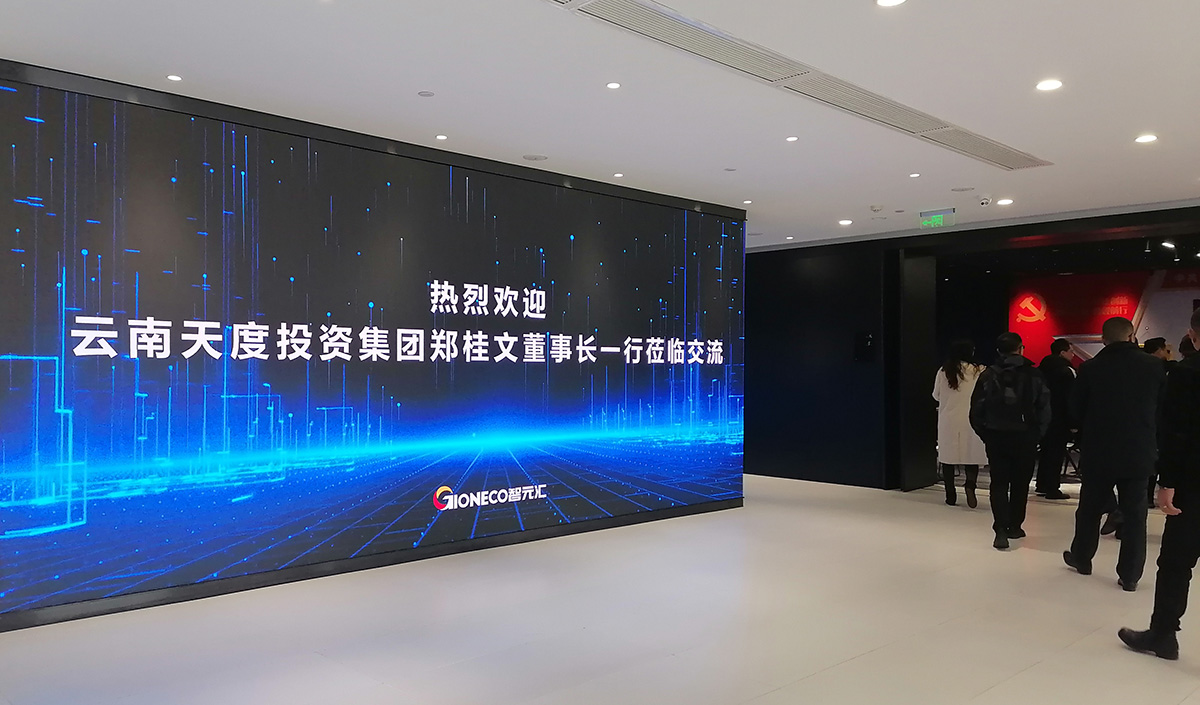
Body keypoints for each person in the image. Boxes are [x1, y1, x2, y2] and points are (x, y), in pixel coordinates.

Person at [1119, 308, 1200, 659]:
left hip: (1193, 484)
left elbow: (1175, 433)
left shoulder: (1187, 373)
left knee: (1176, 562)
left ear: (1192, 335)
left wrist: (1167, 481)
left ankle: (1164, 633)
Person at [1063, 317, 1166, 591]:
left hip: (1099, 450)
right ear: (1132, 336)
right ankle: (1130, 575)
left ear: (1103, 339)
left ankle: (1082, 558)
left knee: (1089, 509)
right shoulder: (1154, 366)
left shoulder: (1090, 368)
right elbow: (1163, 409)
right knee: (1135, 515)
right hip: (1139, 450)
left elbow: (1075, 409)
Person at [970, 332, 1051, 550]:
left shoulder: (988, 375)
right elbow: (1044, 408)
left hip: (996, 436)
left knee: (998, 483)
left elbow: (976, 410)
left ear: (998, 351)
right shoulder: (1034, 375)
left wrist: (986, 434)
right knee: (1020, 483)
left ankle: (1000, 528)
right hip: (1025, 436)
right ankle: (1015, 526)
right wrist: (1037, 434)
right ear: (1020, 348)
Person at [933, 341, 988, 508]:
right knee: (972, 456)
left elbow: (936, 395)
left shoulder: (944, 371)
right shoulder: (979, 370)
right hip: (972, 419)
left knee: (948, 458)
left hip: (948, 419)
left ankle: (950, 495)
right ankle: (970, 485)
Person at [1035, 338, 1076, 500]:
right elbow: (1071, 398)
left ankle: (1042, 484)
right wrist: (1074, 421)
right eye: (1071, 351)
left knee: (1045, 451)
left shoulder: (1040, 370)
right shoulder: (1067, 371)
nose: (1073, 355)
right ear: (1062, 353)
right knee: (1056, 452)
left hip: (1042, 416)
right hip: (1060, 417)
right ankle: (1052, 488)